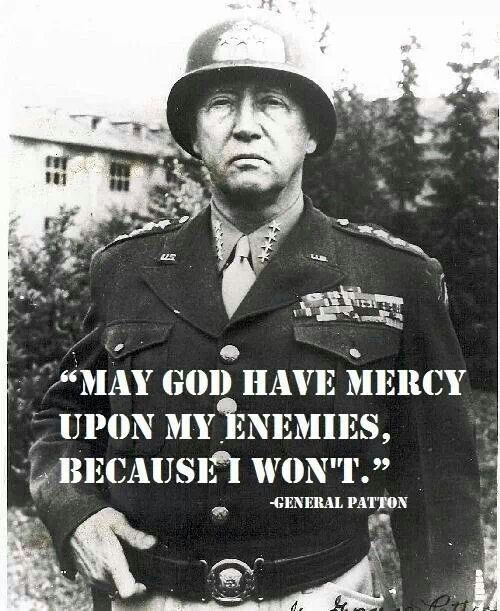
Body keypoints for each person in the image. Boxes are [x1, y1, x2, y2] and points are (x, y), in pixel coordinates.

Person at [29, 10, 484, 611]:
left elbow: (438, 491)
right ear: (194, 137)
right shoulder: (126, 270)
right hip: (152, 597)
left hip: (325, 596)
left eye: (272, 103)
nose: (246, 127)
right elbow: (65, 416)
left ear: (310, 132)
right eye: (221, 104)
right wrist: (76, 511)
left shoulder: (395, 277)